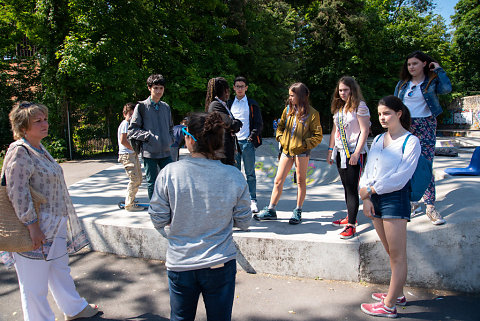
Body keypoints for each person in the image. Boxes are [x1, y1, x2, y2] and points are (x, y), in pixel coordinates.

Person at [149, 111, 251, 321]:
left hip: (180, 262)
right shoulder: (233, 176)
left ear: (189, 138)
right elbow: (244, 221)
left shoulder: (169, 173)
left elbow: (157, 218)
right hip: (219, 262)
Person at [1, 101, 98, 320]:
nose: (45, 124)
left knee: (59, 271)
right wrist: (32, 226)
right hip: (35, 229)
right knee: (34, 286)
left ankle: (74, 308)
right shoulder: (19, 152)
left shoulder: (38, 148)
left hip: (54, 225)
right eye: (38, 121)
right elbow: (17, 193)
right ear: (23, 127)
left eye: (45, 119)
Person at [359, 96, 421, 318]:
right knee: (389, 250)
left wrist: (371, 191)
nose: (382, 118)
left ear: (399, 113)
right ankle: (398, 294)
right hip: (374, 198)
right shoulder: (377, 140)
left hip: (394, 199)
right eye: (380, 114)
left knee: (397, 255)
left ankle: (389, 305)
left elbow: (401, 177)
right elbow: (369, 170)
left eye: (387, 113)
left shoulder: (410, 141)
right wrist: (365, 197)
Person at [394, 50, 452, 225]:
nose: (411, 67)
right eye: (409, 64)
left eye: (415, 64)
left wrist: (440, 70)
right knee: (405, 164)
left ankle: (430, 206)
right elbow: (395, 104)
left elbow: (447, 89)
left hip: (426, 125)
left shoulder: (432, 81)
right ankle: (411, 201)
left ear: (424, 64)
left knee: (425, 165)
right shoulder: (403, 84)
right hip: (405, 126)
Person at [255, 82, 323, 224]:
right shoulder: (288, 110)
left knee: (300, 181)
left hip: (302, 153)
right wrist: (280, 137)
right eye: (289, 95)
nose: (290, 98)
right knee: (278, 180)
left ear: (300, 96)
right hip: (286, 150)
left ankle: (298, 210)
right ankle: (271, 209)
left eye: (292, 95)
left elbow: (318, 136)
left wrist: (304, 145)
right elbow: (280, 126)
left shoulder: (313, 113)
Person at [327, 76, 370, 239]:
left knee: (352, 188)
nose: (342, 93)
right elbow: (334, 131)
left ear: (352, 89)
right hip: (340, 152)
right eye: (340, 90)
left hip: (354, 152)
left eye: (345, 90)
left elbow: (365, 130)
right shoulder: (340, 108)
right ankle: (349, 217)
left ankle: (352, 224)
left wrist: (356, 153)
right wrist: (330, 150)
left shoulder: (360, 107)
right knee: (346, 187)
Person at [128, 74, 174, 199]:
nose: (158, 91)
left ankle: (169, 207)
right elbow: (132, 130)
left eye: (161, 88)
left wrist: (170, 139)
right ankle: (154, 210)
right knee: (152, 183)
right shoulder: (141, 106)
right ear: (149, 88)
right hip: (150, 153)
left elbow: (170, 127)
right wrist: (149, 136)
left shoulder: (166, 107)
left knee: (170, 182)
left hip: (166, 152)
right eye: (155, 88)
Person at [227, 76, 263, 213]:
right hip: (233, 143)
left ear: (246, 88)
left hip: (247, 142)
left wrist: (252, 136)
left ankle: (252, 199)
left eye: (242, 86)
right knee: (235, 173)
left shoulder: (252, 104)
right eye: (237, 86)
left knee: (250, 173)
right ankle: (236, 200)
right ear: (234, 88)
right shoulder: (230, 104)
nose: (240, 88)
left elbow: (259, 123)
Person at [205, 77, 242, 166]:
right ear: (224, 90)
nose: (228, 93)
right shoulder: (215, 105)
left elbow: (231, 125)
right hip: (221, 151)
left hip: (226, 150)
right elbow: (230, 124)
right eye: (228, 90)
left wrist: (234, 124)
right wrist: (238, 123)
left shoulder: (223, 104)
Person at [118, 102, 143, 211]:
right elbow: (123, 140)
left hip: (132, 154)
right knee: (135, 179)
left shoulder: (131, 124)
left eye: (134, 115)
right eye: (130, 114)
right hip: (127, 155)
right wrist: (133, 148)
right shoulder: (125, 124)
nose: (131, 117)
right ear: (125, 114)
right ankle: (129, 204)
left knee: (139, 179)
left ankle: (130, 199)